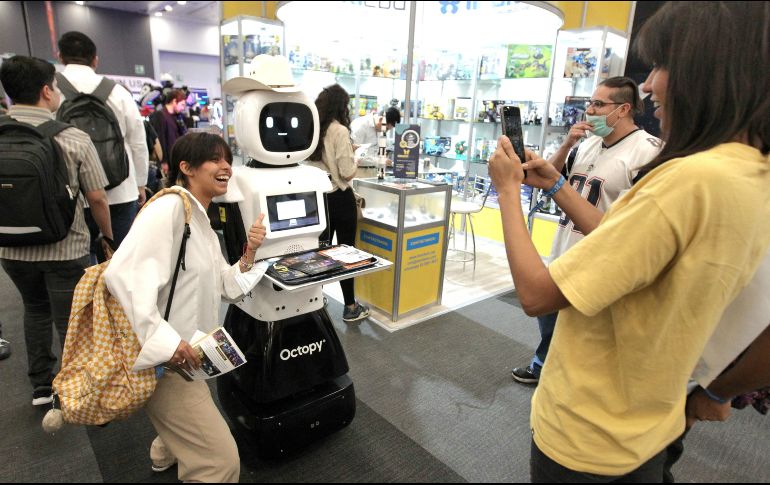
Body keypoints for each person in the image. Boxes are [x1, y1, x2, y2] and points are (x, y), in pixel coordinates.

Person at [487, 1, 770, 481]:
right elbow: (620, 239)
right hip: (649, 425)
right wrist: (555, 181)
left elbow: (535, 295)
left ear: (709, 69)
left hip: (589, 435)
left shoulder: (688, 180)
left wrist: (507, 191)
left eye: (664, 64)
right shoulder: (750, 174)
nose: (650, 83)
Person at [103, 132, 269, 482]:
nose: (226, 167)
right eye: (215, 159)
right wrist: (167, 344)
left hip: (189, 352)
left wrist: (250, 253)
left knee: (188, 417)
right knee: (219, 462)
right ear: (186, 167)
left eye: (228, 159)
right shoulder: (171, 209)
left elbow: (224, 285)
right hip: (167, 361)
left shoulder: (199, 218)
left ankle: (164, 451)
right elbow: (122, 274)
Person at [510, 76, 662, 385]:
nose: (589, 111)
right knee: (548, 316)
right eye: (589, 103)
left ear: (622, 110)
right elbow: (544, 177)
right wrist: (567, 144)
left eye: (597, 104)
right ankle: (543, 363)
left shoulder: (646, 151)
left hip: (600, 259)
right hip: (564, 245)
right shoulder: (588, 143)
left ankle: (559, 374)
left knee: (582, 332)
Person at [0, 55, 112, 406]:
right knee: (72, 321)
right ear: (47, 91)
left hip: (11, 249)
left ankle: (41, 386)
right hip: (65, 246)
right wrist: (108, 237)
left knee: (34, 310)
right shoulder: (72, 138)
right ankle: (76, 388)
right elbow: (96, 197)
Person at [57, 31, 149, 252]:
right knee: (121, 256)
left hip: (73, 193)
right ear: (95, 59)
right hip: (120, 188)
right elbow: (137, 141)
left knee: (82, 258)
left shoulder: (51, 90)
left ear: (60, 57)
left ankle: (88, 288)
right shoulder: (117, 92)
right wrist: (141, 183)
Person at [306, 84, 370, 323]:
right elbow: (345, 171)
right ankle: (350, 306)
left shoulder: (313, 128)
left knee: (319, 252)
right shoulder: (339, 130)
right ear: (341, 105)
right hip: (339, 198)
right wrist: (357, 158)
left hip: (317, 199)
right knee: (346, 253)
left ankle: (314, 302)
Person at [150, 88, 187, 175]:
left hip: (175, 159)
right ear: (174, 101)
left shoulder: (176, 116)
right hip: (166, 161)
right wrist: (163, 161)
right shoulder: (160, 115)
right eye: (182, 104)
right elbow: (160, 139)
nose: (183, 108)